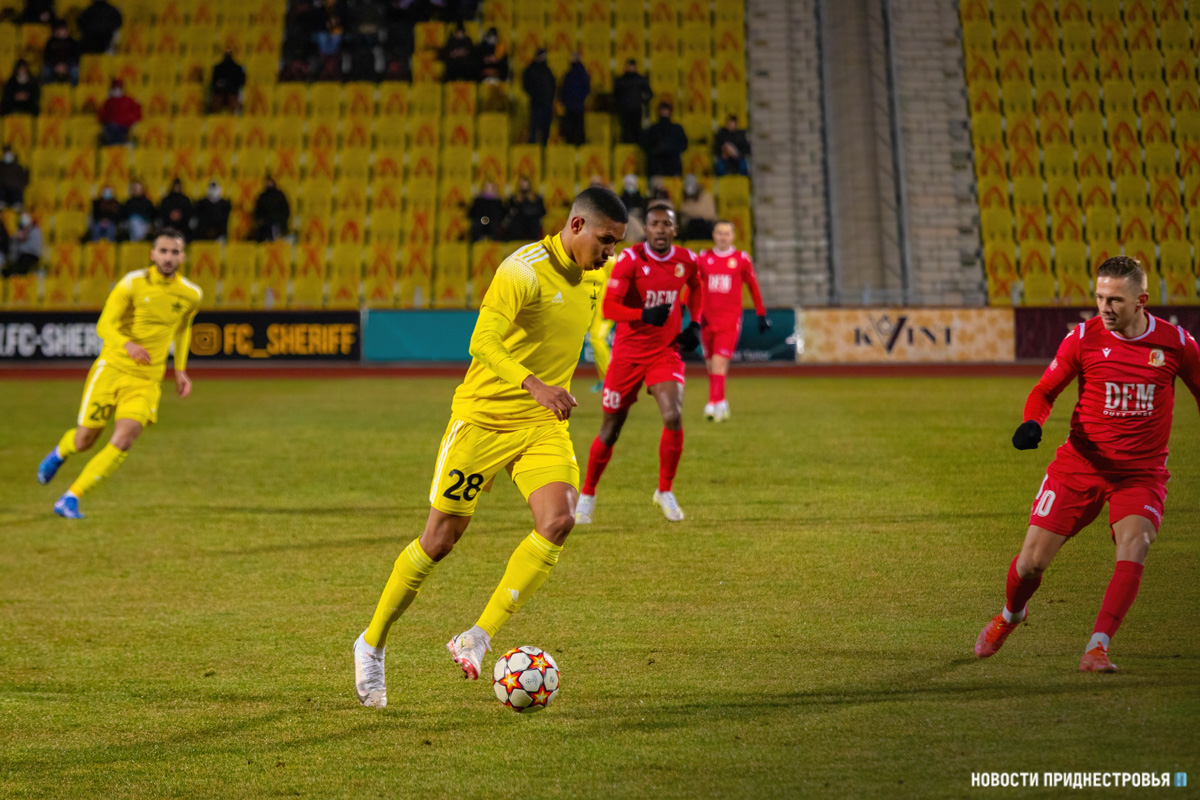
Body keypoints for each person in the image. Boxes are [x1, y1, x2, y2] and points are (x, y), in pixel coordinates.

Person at [351, 188, 629, 708]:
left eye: (616, 243)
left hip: (540, 426)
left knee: (559, 520)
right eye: (605, 240)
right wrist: (536, 384)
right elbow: (482, 342)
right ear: (575, 226)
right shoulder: (521, 269)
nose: (610, 252)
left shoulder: (597, 274)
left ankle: (478, 634)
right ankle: (371, 643)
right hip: (481, 420)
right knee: (439, 541)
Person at [974, 256, 1200, 672]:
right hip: (1078, 466)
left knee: (1135, 547)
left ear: (1142, 300)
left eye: (1114, 299)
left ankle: (1097, 647)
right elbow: (1044, 392)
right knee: (1030, 565)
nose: (1104, 307)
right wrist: (1031, 423)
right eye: (1099, 297)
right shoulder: (1082, 339)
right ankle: (1011, 615)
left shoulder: (1178, 344)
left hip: (1140, 474)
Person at [37, 230, 202, 520]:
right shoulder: (132, 283)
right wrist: (128, 344)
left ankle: (71, 497)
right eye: (163, 251)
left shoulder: (191, 294)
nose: (168, 257)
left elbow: (183, 328)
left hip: (147, 381)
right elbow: (104, 325)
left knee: (125, 438)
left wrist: (180, 370)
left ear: (183, 257)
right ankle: (60, 452)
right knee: (84, 441)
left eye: (174, 252)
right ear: (152, 254)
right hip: (112, 370)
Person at [575, 204, 703, 525]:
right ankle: (588, 493)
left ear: (674, 230)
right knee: (610, 430)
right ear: (645, 230)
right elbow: (609, 307)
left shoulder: (686, 260)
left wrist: (695, 324)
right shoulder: (630, 261)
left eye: (666, 224)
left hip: (665, 352)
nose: (660, 229)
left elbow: (697, 287)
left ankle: (665, 490)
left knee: (673, 415)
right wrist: (643, 314)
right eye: (654, 224)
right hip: (628, 355)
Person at [697, 220, 768, 422]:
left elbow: (753, 287)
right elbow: (694, 286)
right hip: (707, 319)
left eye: (727, 233)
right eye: (719, 233)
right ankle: (722, 403)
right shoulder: (704, 258)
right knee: (711, 364)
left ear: (733, 236)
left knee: (719, 362)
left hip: (729, 320)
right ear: (713, 235)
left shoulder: (741, 259)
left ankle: (712, 403)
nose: (723, 237)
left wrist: (761, 314)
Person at [641, 102, 688, 178]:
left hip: (672, 165)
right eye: (662, 110)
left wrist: (670, 147)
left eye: (666, 110)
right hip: (656, 166)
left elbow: (684, 145)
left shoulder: (677, 129)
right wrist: (656, 149)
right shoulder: (652, 129)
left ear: (670, 112)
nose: (664, 112)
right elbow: (645, 145)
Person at [613, 58, 651, 145]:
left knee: (636, 129)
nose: (630, 68)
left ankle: (637, 146)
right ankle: (625, 149)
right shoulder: (621, 80)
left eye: (632, 66)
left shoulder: (640, 80)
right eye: (629, 66)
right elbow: (615, 95)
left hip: (636, 109)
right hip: (624, 109)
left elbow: (649, 94)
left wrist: (642, 100)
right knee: (625, 130)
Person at [522, 48, 555, 145]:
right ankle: (532, 150)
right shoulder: (531, 70)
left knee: (545, 130)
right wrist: (534, 94)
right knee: (534, 129)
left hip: (545, 104)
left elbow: (552, 86)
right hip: (537, 103)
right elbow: (526, 85)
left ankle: (544, 150)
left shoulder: (547, 71)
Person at [98, 79, 141, 145]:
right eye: (114, 89)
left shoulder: (128, 100)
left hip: (124, 126)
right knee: (111, 127)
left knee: (114, 129)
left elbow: (136, 112)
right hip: (111, 126)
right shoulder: (108, 102)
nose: (116, 91)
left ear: (122, 90)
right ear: (111, 90)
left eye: (118, 89)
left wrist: (133, 123)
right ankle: (120, 143)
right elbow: (102, 116)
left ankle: (117, 143)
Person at [560, 53, 590, 146]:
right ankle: (580, 147)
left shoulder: (568, 75)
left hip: (570, 106)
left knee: (571, 129)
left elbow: (563, 90)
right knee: (579, 127)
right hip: (579, 106)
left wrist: (564, 101)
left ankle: (571, 147)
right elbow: (587, 90)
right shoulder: (584, 74)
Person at [253, 176, 290, 242]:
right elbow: (258, 212)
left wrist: (281, 221)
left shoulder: (279, 195)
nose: (268, 184)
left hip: (278, 223)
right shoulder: (262, 196)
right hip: (265, 226)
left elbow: (285, 210)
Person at [679, 174, 717, 240]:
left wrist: (692, 213)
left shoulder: (707, 196)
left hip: (706, 225)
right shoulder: (685, 198)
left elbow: (711, 215)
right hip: (692, 227)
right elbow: (684, 217)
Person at [209, 49, 246, 114]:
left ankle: (236, 118)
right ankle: (213, 118)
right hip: (220, 92)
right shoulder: (218, 68)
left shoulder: (238, 68)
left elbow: (242, 82)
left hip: (233, 92)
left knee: (233, 100)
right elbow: (213, 82)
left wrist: (231, 86)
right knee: (217, 101)